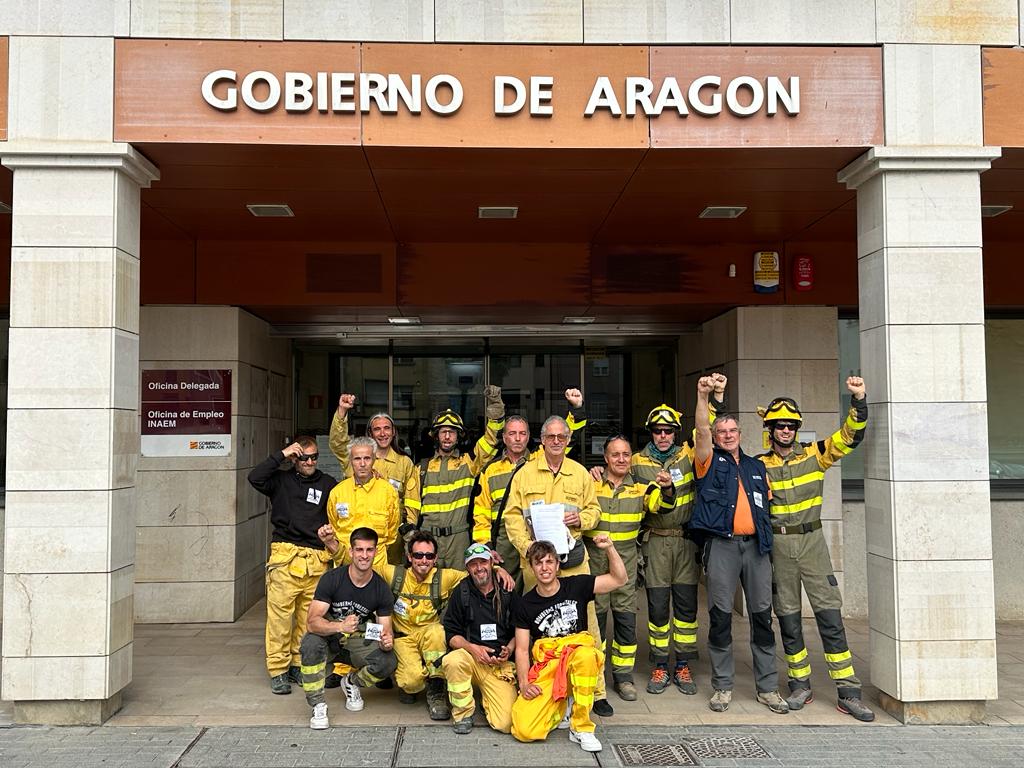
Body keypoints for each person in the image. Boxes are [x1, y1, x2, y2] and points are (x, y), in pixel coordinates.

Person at [593, 376, 726, 696]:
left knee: (685, 609)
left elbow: (707, 429)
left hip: (685, 541)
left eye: (668, 431)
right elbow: (616, 474)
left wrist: (708, 396)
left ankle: (683, 664)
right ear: (650, 433)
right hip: (654, 541)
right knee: (656, 608)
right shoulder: (636, 461)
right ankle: (658, 664)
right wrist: (595, 471)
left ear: (676, 433)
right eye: (657, 431)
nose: (663, 436)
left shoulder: (689, 454)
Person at [758, 377, 874, 721]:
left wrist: (859, 399)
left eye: (791, 426)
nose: (785, 431)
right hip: (779, 545)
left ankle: (848, 691)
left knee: (830, 617)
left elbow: (850, 436)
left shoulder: (817, 453)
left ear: (797, 429)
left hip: (812, 543)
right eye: (779, 426)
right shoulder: (758, 464)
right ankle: (800, 684)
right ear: (770, 429)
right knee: (789, 618)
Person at [317, 527, 513, 721]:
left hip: (430, 635)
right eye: (418, 555)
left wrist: (496, 569)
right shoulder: (394, 574)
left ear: (435, 558)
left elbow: (477, 572)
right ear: (409, 557)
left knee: (437, 631)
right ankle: (413, 683)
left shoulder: (445, 577)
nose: (424, 561)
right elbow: (361, 563)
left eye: (429, 556)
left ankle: (436, 689)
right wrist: (332, 544)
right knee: (410, 683)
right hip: (403, 638)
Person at [503, 414, 615, 717]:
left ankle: (596, 692)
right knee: (536, 626)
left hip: (573, 562)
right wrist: (528, 549)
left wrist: (582, 519)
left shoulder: (579, 474)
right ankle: (536, 683)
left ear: (567, 440)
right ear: (542, 439)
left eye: (561, 437)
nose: (555, 441)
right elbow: (512, 517)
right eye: (550, 436)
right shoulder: (524, 474)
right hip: (536, 563)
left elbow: (594, 510)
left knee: (587, 626)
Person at [689, 376, 789, 715]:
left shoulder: (756, 466)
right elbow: (701, 429)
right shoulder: (707, 461)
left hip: (756, 549)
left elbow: (766, 509)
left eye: (732, 431)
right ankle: (722, 686)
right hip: (722, 548)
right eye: (722, 432)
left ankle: (767, 688)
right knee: (719, 617)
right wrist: (704, 397)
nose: (727, 435)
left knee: (762, 617)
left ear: (740, 435)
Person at [510, 536, 627, 753]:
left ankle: (581, 726)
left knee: (586, 655)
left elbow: (619, 579)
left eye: (549, 562)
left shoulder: (577, 585)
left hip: (577, 660)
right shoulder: (524, 603)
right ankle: (563, 704)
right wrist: (524, 684)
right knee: (523, 729)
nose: (544, 568)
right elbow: (522, 649)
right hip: (549, 667)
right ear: (532, 567)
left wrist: (610, 547)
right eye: (538, 563)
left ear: (557, 565)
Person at [585, 435, 675, 701]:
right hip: (595, 559)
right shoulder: (591, 484)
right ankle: (596, 675)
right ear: (605, 458)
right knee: (595, 619)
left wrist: (669, 488)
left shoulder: (642, 488)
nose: (621, 459)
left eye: (625, 454)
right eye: (615, 455)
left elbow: (664, 507)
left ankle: (623, 677)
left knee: (625, 619)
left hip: (625, 559)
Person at [248, 437, 337, 695]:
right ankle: (278, 670)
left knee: (307, 618)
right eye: (304, 457)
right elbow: (255, 477)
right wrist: (282, 454)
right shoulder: (280, 480)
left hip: (316, 558)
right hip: (286, 555)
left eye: (314, 457)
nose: (310, 462)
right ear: (295, 459)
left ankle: (298, 664)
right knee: (279, 618)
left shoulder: (327, 483)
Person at [472, 388, 587, 586]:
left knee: (535, 590)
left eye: (522, 433)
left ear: (529, 437)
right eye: (512, 433)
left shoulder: (540, 459)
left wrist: (576, 409)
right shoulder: (490, 471)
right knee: (506, 592)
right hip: (503, 541)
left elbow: (562, 436)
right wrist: (486, 546)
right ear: (505, 437)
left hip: (535, 536)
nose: (517, 438)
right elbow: (481, 513)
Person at [299, 527, 397, 729]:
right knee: (310, 644)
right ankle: (317, 704)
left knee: (387, 661)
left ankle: (352, 682)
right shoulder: (332, 579)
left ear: (376, 552)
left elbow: (385, 630)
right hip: (329, 639)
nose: (364, 555)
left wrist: (387, 642)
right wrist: (339, 625)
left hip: (356, 642)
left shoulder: (381, 588)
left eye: (369, 550)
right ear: (351, 552)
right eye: (359, 550)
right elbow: (312, 622)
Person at [409, 385, 507, 569]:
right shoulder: (421, 468)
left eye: (452, 432)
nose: (447, 436)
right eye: (443, 431)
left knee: (460, 589)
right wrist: (411, 538)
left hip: (459, 540)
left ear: (458, 436)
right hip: (428, 539)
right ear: (436, 435)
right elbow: (412, 509)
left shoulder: (469, 462)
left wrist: (495, 406)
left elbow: (493, 438)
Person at [329, 394, 419, 564]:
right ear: (370, 433)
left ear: (393, 432)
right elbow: (338, 443)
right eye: (377, 429)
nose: (383, 433)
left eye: (387, 428)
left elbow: (412, 500)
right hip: (355, 534)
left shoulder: (404, 462)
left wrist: (410, 529)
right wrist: (342, 412)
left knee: (387, 580)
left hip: (391, 535)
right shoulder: (357, 456)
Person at [441, 542, 519, 734]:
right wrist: (472, 648)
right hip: (472, 660)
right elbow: (451, 634)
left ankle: (489, 701)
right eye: (473, 564)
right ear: (467, 568)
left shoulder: (507, 589)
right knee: (453, 660)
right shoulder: (462, 592)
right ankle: (462, 713)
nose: (479, 568)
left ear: (491, 563)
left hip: (499, 666)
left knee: (506, 724)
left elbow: (522, 629)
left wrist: (509, 649)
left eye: (482, 562)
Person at [323, 436, 400, 569]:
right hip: (345, 564)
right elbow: (334, 527)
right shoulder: (337, 492)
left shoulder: (388, 491)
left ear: (374, 459)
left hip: (377, 565)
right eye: (357, 459)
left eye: (367, 458)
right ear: (351, 461)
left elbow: (392, 533)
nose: (362, 464)